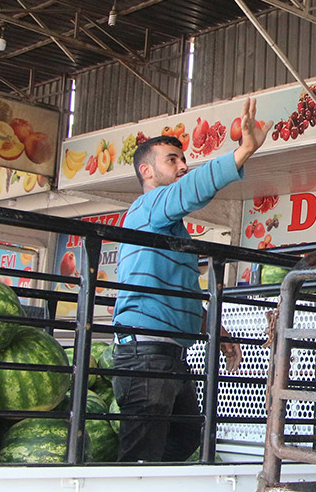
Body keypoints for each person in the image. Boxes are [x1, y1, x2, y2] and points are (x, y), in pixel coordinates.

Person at [112, 98, 271, 462]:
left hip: (168, 353)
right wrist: (243, 151)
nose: (183, 166)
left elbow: (180, 293)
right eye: (173, 160)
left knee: (184, 440)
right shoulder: (149, 207)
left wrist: (218, 332)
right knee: (141, 456)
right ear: (146, 172)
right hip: (146, 353)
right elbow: (190, 190)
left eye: (184, 160)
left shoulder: (166, 226)